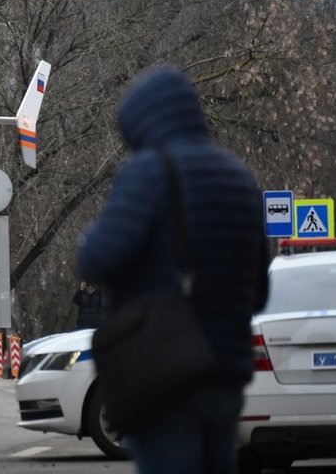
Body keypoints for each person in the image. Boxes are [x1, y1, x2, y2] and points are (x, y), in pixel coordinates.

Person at [77, 66, 270, 474]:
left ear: (142, 123)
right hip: (225, 374)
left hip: (162, 371)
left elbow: (97, 260)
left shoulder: (147, 173)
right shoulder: (240, 180)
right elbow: (258, 293)